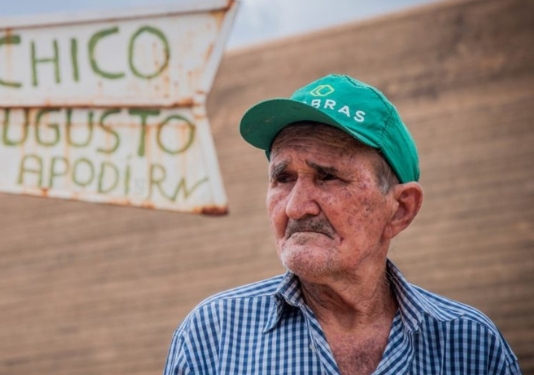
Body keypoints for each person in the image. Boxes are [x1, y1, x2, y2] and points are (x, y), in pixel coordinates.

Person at [163, 75, 522, 375]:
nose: (296, 207)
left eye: (329, 177)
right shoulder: (213, 336)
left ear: (400, 209)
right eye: (283, 178)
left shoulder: (470, 344)